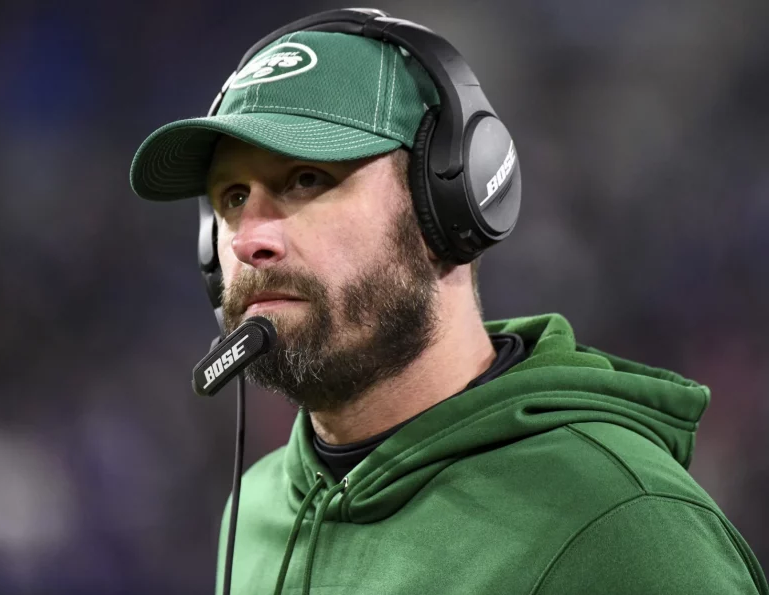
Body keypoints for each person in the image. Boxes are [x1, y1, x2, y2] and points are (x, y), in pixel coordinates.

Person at [129, 9, 768, 595]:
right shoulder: (259, 508)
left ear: (449, 202)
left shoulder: (624, 530)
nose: (251, 240)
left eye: (306, 178)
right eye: (232, 198)